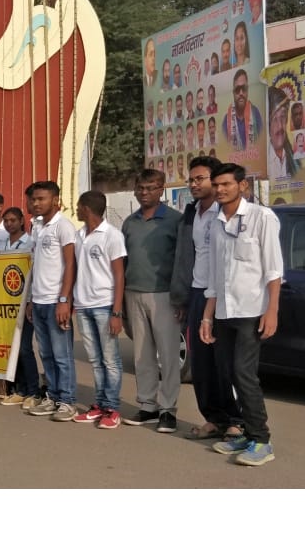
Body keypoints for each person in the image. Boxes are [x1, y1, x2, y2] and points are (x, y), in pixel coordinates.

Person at [200, 163, 283, 466]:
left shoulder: (262, 217)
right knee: (228, 373)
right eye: (216, 185)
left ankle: (261, 440)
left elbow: (274, 269)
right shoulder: (216, 223)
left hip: (252, 310)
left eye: (226, 184)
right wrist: (207, 316)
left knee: (244, 374)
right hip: (224, 311)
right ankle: (247, 433)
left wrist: (272, 310)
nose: (220, 190)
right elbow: (214, 275)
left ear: (242, 186)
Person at [171, 156, 244, 441]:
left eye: (199, 179)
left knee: (224, 362)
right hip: (196, 292)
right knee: (201, 365)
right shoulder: (192, 213)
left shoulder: (225, 213)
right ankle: (213, 419)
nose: (193, 184)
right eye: (191, 179)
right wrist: (182, 297)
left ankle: (236, 420)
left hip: (223, 295)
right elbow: (184, 257)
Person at [121, 169, 183, 433]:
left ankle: (168, 409)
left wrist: (180, 297)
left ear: (161, 189)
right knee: (142, 355)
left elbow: (182, 261)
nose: (144, 193)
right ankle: (148, 405)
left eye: (151, 188)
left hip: (165, 295)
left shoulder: (175, 220)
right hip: (133, 293)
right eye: (140, 188)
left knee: (168, 356)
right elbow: (123, 261)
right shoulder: (129, 223)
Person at [70, 191, 126, 429]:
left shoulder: (112, 235)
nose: (76, 210)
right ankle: (100, 405)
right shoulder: (79, 235)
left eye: (78, 206)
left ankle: (112, 408)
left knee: (110, 359)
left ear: (87, 208)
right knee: (95, 359)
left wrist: (116, 312)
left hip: (104, 305)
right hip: (83, 305)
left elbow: (119, 275)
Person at [24, 181, 77, 422]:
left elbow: (70, 264)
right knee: (46, 353)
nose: (36, 203)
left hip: (56, 301)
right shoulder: (38, 228)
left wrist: (64, 299)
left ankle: (67, 401)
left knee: (62, 355)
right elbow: (36, 266)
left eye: (41, 199)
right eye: (34, 199)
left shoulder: (63, 226)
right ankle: (53, 397)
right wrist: (31, 300)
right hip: (39, 300)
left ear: (55, 200)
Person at [0, 205, 38, 408]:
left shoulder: (30, 243)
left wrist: (30, 300)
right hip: (5, 304)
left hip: (24, 302)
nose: (9, 224)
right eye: (6, 221)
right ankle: (19, 389)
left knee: (24, 348)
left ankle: (33, 390)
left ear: (22, 221)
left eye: (13, 220)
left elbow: (33, 274)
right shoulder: (2, 244)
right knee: (11, 348)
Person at [223, 69, 262, 149]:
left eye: (243, 88)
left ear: (247, 90)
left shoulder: (255, 114)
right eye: (237, 89)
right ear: (233, 93)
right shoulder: (226, 121)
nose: (241, 93)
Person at [267, 87, 299, 180]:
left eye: (283, 116)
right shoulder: (263, 163)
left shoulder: (295, 160)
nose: (280, 125)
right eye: (274, 119)